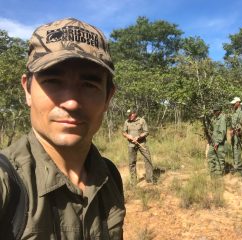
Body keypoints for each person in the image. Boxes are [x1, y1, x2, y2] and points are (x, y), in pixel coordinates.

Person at [0, 18, 126, 239]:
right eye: (53, 81)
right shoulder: (7, 184)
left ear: (108, 97)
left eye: (89, 85)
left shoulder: (109, 177)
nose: (71, 102)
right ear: (27, 90)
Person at [123, 109, 154, 183]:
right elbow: (124, 132)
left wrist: (139, 137)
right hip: (131, 144)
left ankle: (149, 179)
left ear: (134, 114)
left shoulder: (142, 121)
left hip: (142, 143)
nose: (129, 116)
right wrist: (128, 136)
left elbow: (146, 132)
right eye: (128, 115)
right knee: (131, 162)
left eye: (130, 115)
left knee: (147, 159)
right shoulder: (127, 122)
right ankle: (133, 181)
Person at [207, 105, 227, 176]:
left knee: (220, 159)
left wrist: (217, 142)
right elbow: (212, 129)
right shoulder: (214, 118)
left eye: (215, 111)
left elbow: (222, 132)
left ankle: (219, 175)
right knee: (210, 156)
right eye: (213, 111)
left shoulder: (222, 118)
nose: (213, 112)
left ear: (219, 111)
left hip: (220, 143)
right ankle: (212, 173)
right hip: (213, 141)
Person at [229, 97, 242, 174]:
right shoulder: (234, 112)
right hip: (234, 133)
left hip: (238, 133)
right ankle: (236, 164)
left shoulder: (241, 112)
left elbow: (241, 123)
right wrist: (231, 130)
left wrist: (238, 130)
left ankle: (239, 166)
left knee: (238, 149)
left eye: (234, 103)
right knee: (234, 148)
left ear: (238, 103)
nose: (233, 105)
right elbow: (233, 123)